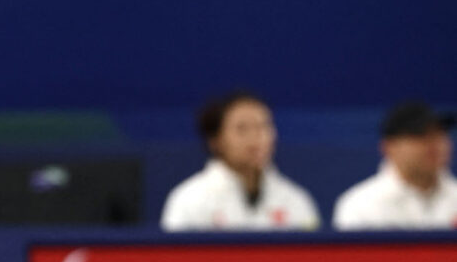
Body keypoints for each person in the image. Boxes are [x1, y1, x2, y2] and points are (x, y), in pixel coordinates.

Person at [161, 91, 319, 231]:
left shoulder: (296, 200)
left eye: (263, 126)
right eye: (242, 129)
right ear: (216, 140)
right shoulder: (188, 200)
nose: (255, 138)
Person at [333, 100, 457, 230]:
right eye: (419, 136)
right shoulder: (361, 204)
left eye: (440, 135)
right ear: (389, 147)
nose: (434, 145)